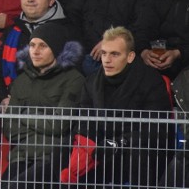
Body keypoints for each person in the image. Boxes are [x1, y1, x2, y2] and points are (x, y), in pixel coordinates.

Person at [62, 27, 174, 187]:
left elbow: (156, 128)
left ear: (130, 56)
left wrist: (120, 142)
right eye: (104, 53)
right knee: (67, 147)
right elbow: (85, 119)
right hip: (103, 151)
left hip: (139, 152)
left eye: (115, 54)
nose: (107, 60)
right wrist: (89, 142)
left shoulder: (151, 81)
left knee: (139, 151)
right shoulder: (92, 82)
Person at [2, 23, 85, 189]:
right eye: (32, 45)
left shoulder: (74, 79)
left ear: (56, 49)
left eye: (43, 46)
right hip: (22, 155)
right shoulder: (21, 80)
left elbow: (59, 125)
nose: (35, 50)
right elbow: (9, 127)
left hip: (54, 157)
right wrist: (44, 125)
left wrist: (24, 114)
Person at [0, 0, 77, 89]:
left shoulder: (68, 31)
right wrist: (4, 97)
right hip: (14, 99)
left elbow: (72, 76)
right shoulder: (11, 31)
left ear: (51, 1)